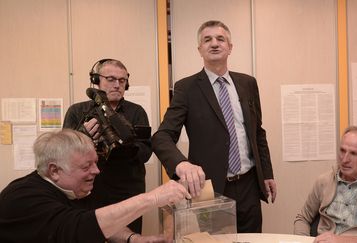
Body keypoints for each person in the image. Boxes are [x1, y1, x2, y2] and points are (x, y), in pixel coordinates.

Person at [151, 20, 277, 233]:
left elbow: (257, 132)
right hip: (210, 189)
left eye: (220, 39)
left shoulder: (248, 83)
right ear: (199, 49)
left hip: (249, 185)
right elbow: (161, 136)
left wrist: (266, 173)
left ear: (230, 47)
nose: (214, 44)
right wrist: (182, 164)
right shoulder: (186, 88)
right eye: (207, 39)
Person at [0, 129, 190, 243]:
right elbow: (81, 228)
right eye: (86, 166)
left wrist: (133, 239)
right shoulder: (22, 198)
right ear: (54, 171)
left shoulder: (78, 189)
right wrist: (153, 198)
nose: (96, 171)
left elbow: (98, 220)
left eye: (96, 163)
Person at [63, 58, 152, 233]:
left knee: (129, 236)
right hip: (88, 192)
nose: (117, 85)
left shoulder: (137, 112)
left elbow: (146, 152)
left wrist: (126, 145)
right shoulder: (77, 111)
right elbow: (63, 154)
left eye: (122, 80)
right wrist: (82, 136)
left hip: (127, 193)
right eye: (110, 79)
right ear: (96, 81)